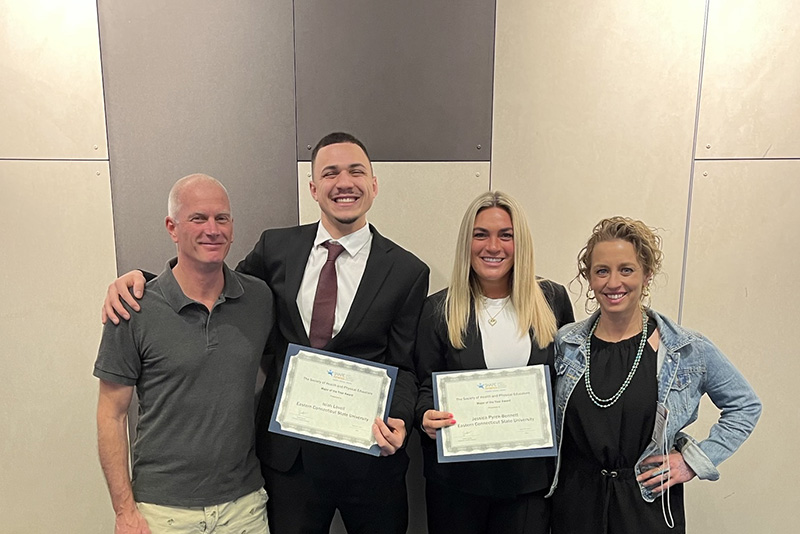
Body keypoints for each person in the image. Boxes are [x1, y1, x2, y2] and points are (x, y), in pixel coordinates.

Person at [101, 133, 429, 534]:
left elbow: (406, 366)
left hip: (370, 461)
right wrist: (146, 285)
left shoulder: (409, 272)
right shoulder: (277, 248)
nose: (344, 182)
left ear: (374, 184)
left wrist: (398, 418)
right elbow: (217, 285)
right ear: (313, 187)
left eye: (356, 171)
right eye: (330, 173)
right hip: (290, 466)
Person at [547, 216, 762, 533]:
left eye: (627, 269)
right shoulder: (567, 343)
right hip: (576, 505)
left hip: (648, 508)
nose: (613, 282)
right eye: (602, 270)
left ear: (647, 274)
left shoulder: (686, 349)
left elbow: (745, 405)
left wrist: (693, 462)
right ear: (589, 279)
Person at [94, 174, 272, 534]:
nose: (213, 229)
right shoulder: (131, 308)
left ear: (233, 227)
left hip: (244, 508)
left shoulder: (260, 299)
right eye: (198, 218)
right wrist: (124, 512)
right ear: (172, 228)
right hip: (163, 513)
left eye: (222, 218)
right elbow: (110, 415)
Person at [414, 191, 574, 534]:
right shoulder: (437, 309)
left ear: (521, 243)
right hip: (457, 482)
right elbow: (424, 384)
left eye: (506, 235)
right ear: (466, 242)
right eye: (481, 234)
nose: (493, 246)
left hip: (528, 483)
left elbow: (565, 382)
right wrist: (424, 415)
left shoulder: (552, 300)